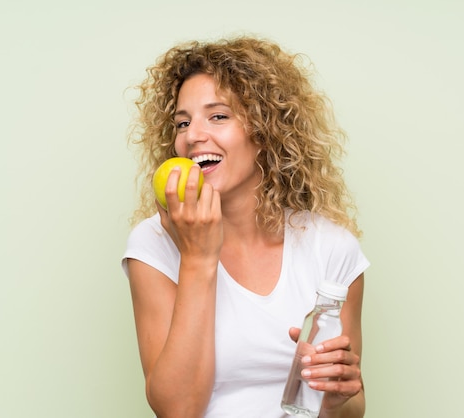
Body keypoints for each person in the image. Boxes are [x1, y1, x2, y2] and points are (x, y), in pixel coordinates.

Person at [122, 36, 370, 418]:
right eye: (182, 122)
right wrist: (198, 256)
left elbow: (350, 407)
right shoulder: (153, 243)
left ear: (265, 131)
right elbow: (176, 410)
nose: (192, 136)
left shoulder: (332, 248)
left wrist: (337, 397)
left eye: (218, 116)